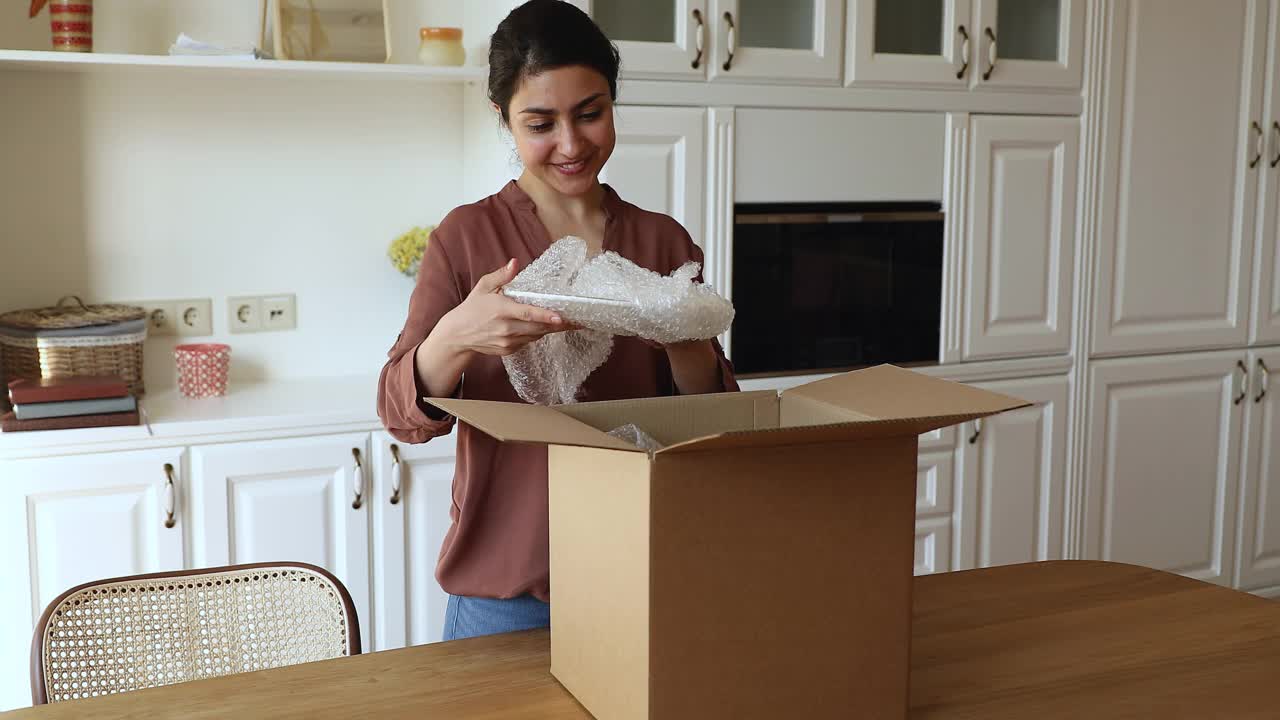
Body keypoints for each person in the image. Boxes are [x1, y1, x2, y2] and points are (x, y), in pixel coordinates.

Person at [376, 0, 738, 642]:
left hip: (644, 566)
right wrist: (459, 335)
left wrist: (683, 337)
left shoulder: (661, 242)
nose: (571, 145)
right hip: (507, 586)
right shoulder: (466, 237)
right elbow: (400, 414)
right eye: (540, 122)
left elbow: (710, 419)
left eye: (591, 114)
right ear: (504, 120)